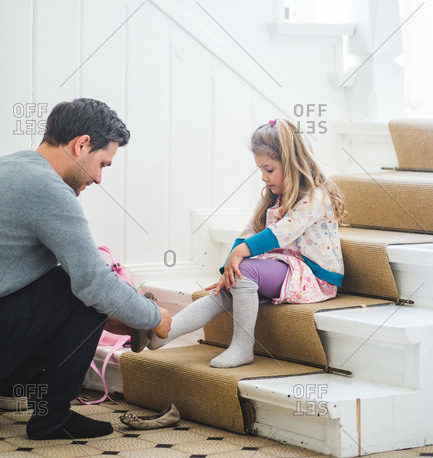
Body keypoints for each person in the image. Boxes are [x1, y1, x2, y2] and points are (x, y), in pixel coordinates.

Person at [0, 98, 171, 440]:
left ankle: (26, 392)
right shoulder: (47, 190)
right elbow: (93, 283)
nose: (98, 178)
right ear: (81, 145)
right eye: (102, 163)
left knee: (75, 286)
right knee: (86, 290)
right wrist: (155, 317)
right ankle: (53, 419)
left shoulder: (12, 167)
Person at [149, 118, 345, 368]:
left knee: (244, 271)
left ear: (292, 162)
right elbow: (248, 232)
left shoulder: (315, 196)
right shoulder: (274, 197)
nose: (263, 177)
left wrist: (240, 257)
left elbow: (281, 233)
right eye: (260, 170)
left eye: (269, 169)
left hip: (314, 276)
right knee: (227, 288)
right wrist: (228, 267)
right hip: (284, 268)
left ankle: (242, 348)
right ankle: (163, 334)